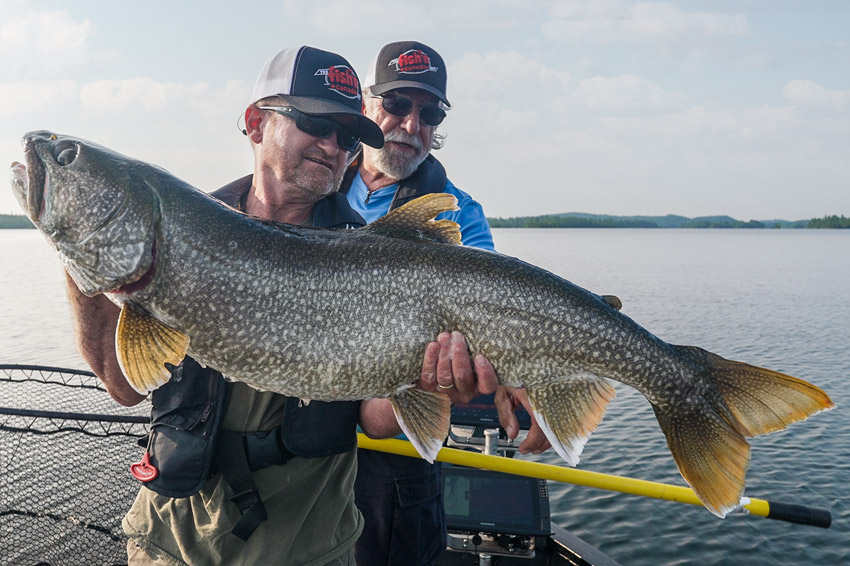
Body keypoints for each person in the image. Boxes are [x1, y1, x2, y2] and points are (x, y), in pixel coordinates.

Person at [65, 45, 498, 566]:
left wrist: (434, 385)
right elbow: (122, 385)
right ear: (254, 123)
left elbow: (379, 422)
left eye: (347, 135)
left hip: (306, 547)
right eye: (316, 123)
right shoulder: (182, 233)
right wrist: (80, 259)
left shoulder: (372, 257)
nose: (334, 146)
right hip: (169, 542)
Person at [340, 41, 551, 566]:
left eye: (430, 112)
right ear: (368, 105)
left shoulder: (462, 214)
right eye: (397, 105)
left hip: (394, 460)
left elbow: (492, 317)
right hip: (304, 448)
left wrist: (535, 377)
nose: (412, 125)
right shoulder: (315, 176)